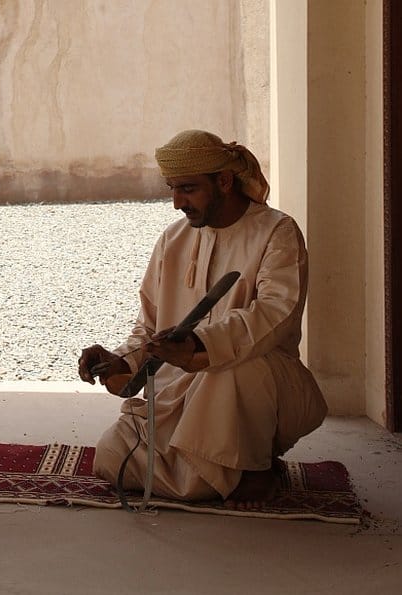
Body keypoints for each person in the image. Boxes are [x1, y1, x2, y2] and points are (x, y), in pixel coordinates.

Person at [78, 129, 327, 507]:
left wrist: (200, 345)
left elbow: (273, 315)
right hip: (179, 392)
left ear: (224, 182)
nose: (177, 202)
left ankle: (255, 468)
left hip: (258, 384)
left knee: (231, 366)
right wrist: (120, 361)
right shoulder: (173, 240)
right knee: (110, 456)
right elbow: (149, 328)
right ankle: (223, 471)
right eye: (172, 189)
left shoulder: (277, 232)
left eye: (188, 189)